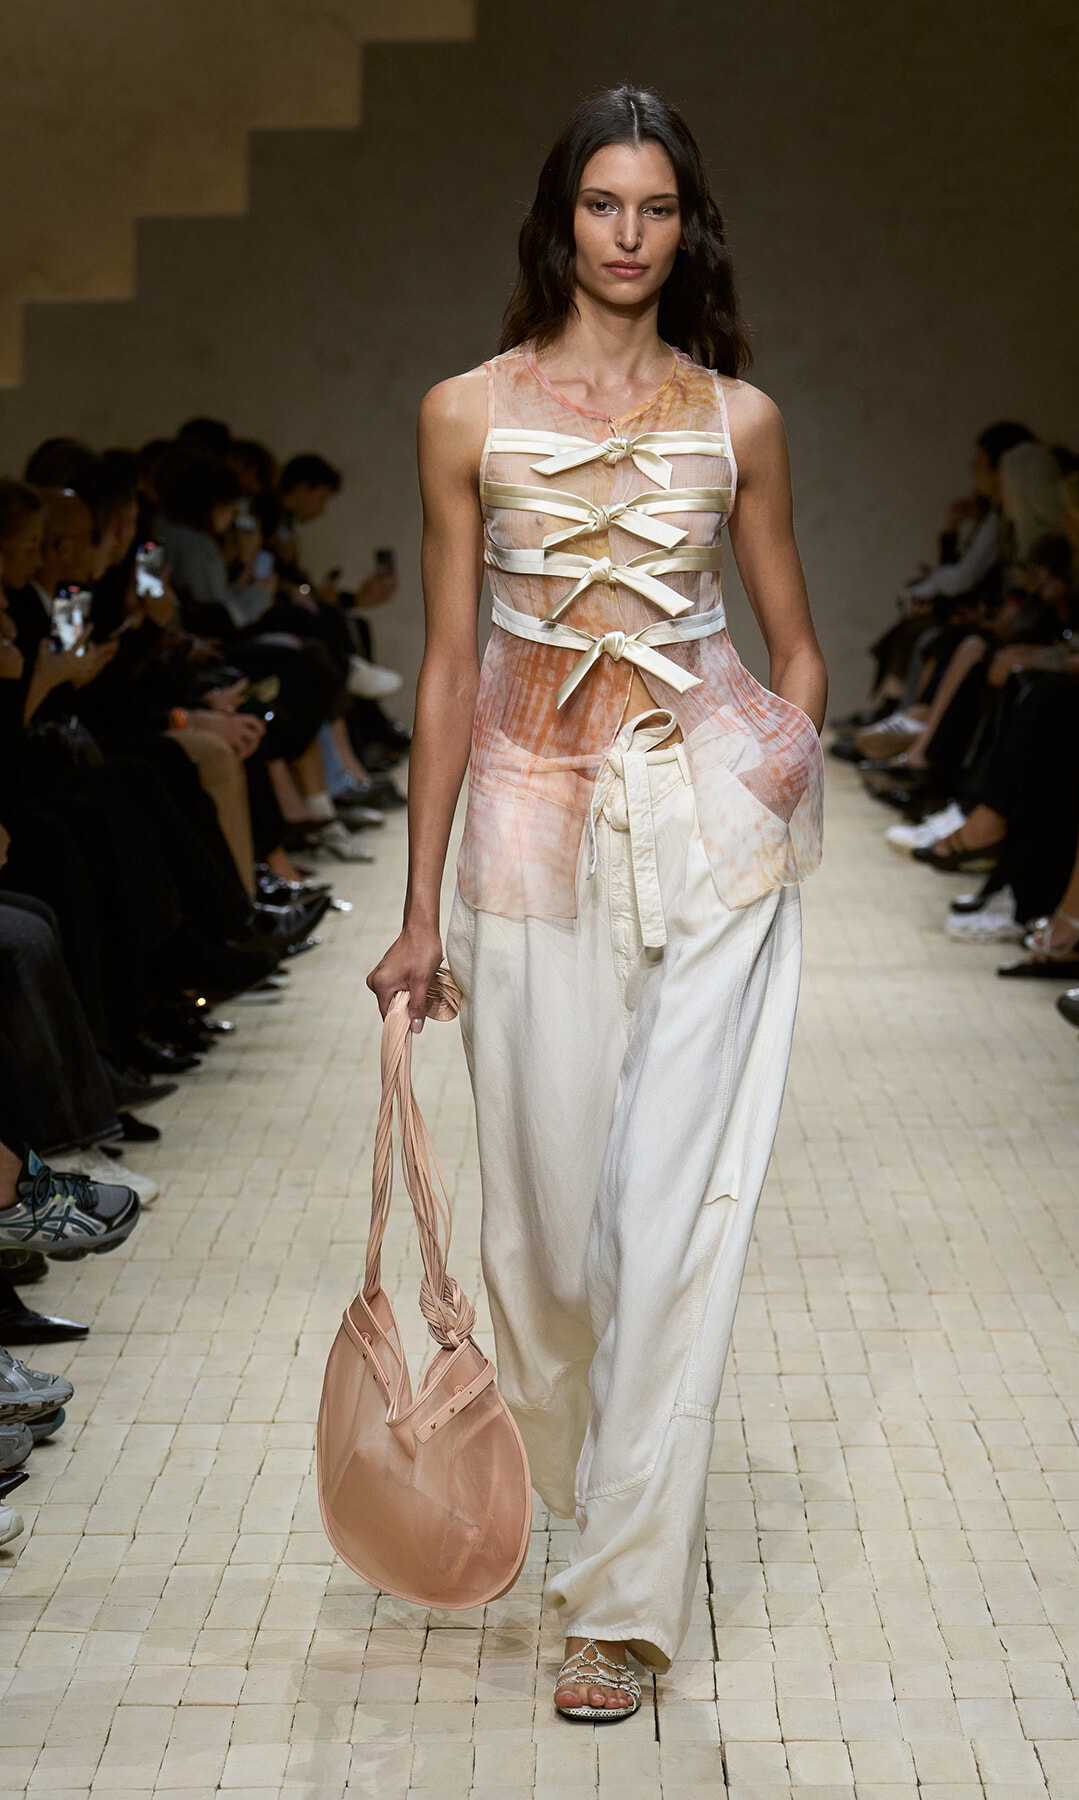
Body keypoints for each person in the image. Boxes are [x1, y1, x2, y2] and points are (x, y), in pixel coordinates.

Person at [366, 86, 826, 1718]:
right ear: (559, 221)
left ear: (689, 230)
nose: (629, 235)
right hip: (524, 836)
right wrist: (418, 911)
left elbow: (794, 643)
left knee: (671, 1216)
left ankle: (620, 1609)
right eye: (602, 205)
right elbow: (445, 669)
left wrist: (768, 776)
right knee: (545, 1240)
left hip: (706, 840)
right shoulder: (464, 414)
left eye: (657, 208)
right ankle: (591, 1479)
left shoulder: (739, 420)